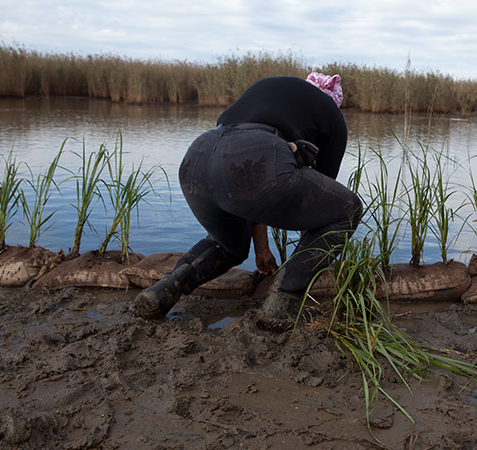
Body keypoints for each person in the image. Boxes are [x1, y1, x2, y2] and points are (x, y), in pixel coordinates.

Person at [130, 73, 362, 324]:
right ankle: (284, 300)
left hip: (197, 158)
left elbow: (245, 179)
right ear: (333, 99)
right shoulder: (333, 117)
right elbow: (318, 210)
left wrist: (260, 249)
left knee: (229, 244)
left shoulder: (270, 89)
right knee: (348, 208)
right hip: (255, 157)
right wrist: (304, 268)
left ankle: (164, 290)